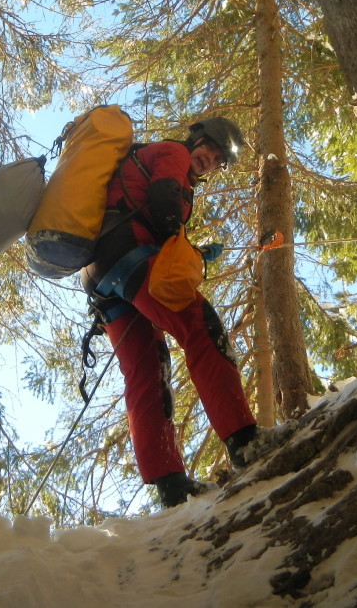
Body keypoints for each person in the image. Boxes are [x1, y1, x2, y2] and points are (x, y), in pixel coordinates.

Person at [81, 117, 272, 508]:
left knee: (148, 369)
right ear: (196, 139)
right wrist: (183, 249)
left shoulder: (151, 158)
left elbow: (152, 213)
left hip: (101, 275)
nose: (209, 160)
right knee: (200, 325)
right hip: (130, 254)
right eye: (210, 149)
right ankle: (243, 440)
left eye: (217, 160)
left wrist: (192, 252)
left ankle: (170, 484)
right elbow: (164, 198)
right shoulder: (174, 152)